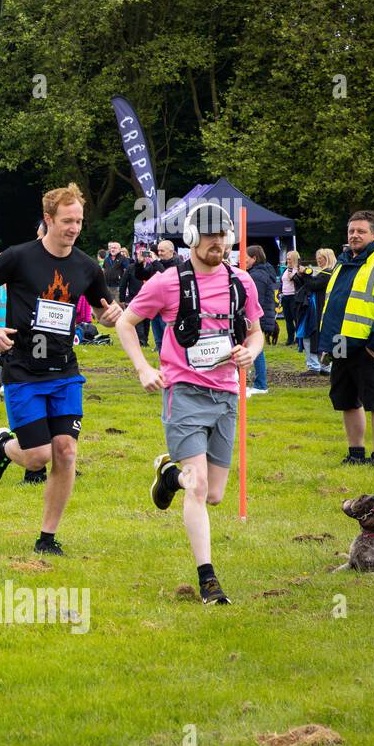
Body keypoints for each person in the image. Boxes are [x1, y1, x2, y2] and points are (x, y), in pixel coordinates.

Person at [116, 204, 264, 605]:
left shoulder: (242, 282)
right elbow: (125, 323)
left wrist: (251, 350)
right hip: (183, 391)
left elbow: (256, 331)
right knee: (197, 487)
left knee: (214, 494)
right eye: (210, 236)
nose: (218, 243)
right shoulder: (167, 282)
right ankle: (208, 579)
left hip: (226, 395)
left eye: (224, 236)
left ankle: (169, 476)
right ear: (193, 238)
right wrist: (144, 368)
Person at [0, 183, 122, 555]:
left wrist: (111, 317)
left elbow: (103, 315)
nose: (74, 228)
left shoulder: (86, 266)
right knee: (37, 456)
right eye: (67, 220)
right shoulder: (20, 257)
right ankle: (5, 447)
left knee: (66, 451)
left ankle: (46, 538)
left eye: (79, 221)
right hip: (22, 367)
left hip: (64, 370)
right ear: (49, 219)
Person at [319, 210, 374, 469]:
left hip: (368, 345)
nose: (355, 235)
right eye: (351, 231)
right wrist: (326, 344)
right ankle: (356, 453)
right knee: (346, 399)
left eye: (361, 231)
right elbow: (334, 305)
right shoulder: (344, 261)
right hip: (340, 342)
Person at [294, 249, 337, 374]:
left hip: (318, 309)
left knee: (314, 335)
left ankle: (319, 366)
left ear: (328, 258)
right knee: (315, 336)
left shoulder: (328, 273)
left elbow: (313, 285)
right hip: (317, 308)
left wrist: (306, 274)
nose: (318, 259)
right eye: (317, 257)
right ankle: (323, 366)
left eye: (321, 257)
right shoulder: (325, 272)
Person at [242, 245, 276, 396]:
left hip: (257, 317)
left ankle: (261, 384)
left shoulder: (256, 276)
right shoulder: (264, 272)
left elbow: (255, 301)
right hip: (262, 316)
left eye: (246, 258)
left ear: (254, 258)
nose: (243, 260)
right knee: (256, 349)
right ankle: (258, 382)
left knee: (257, 350)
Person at [281, 250, 301, 347]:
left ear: (293, 259)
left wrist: (293, 276)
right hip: (285, 296)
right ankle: (290, 338)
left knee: (296, 318)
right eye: (287, 259)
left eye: (289, 259)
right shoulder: (286, 270)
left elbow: (299, 282)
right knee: (288, 319)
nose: (287, 260)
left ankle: (298, 338)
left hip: (293, 296)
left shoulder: (297, 270)